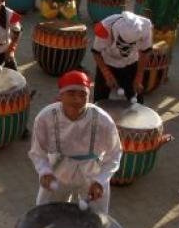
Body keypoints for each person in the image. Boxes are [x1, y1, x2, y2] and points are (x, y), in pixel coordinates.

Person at [28, 70, 121, 214]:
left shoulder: (103, 120)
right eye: (71, 93)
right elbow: (37, 152)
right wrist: (44, 172)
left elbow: (115, 154)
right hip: (58, 171)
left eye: (83, 94)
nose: (77, 99)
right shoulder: (45, 117)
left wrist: (100, 181)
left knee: (96, 219)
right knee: (46, 214)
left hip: (92, 173)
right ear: (61, 95)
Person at [92, 11, 154, 103]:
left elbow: (145, 52)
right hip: (107, 62)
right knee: (99, 101)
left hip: (131, 63)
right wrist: (107, 74)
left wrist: (139, 76)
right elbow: (96, 52)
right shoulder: (104, 27)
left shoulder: (145, 27)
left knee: (137, 102)